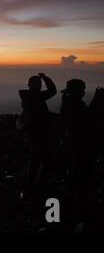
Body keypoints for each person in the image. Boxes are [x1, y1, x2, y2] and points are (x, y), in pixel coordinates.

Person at [61, 80, 102, 232]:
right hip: (82, 147)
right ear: (78, 91)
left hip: (75, 146)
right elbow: (87, 121)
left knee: (76, 178)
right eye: (83, 89)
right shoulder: (75, 106)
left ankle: (71, 210)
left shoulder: (68, 102)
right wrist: (97, 101)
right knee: (81, 179)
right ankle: (77, 213)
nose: (84, 91)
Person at [18, 73, 57, 193]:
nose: (40, 87)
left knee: (35, 158)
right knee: (41, 159)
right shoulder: (35, 97)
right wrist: (45, 78)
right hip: (37, 132)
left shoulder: (28, 96)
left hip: (33, 132)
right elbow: (52, 91)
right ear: (31, 85)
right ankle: (35, 186)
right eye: (38, 84)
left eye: (39, 84)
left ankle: (32, 184)